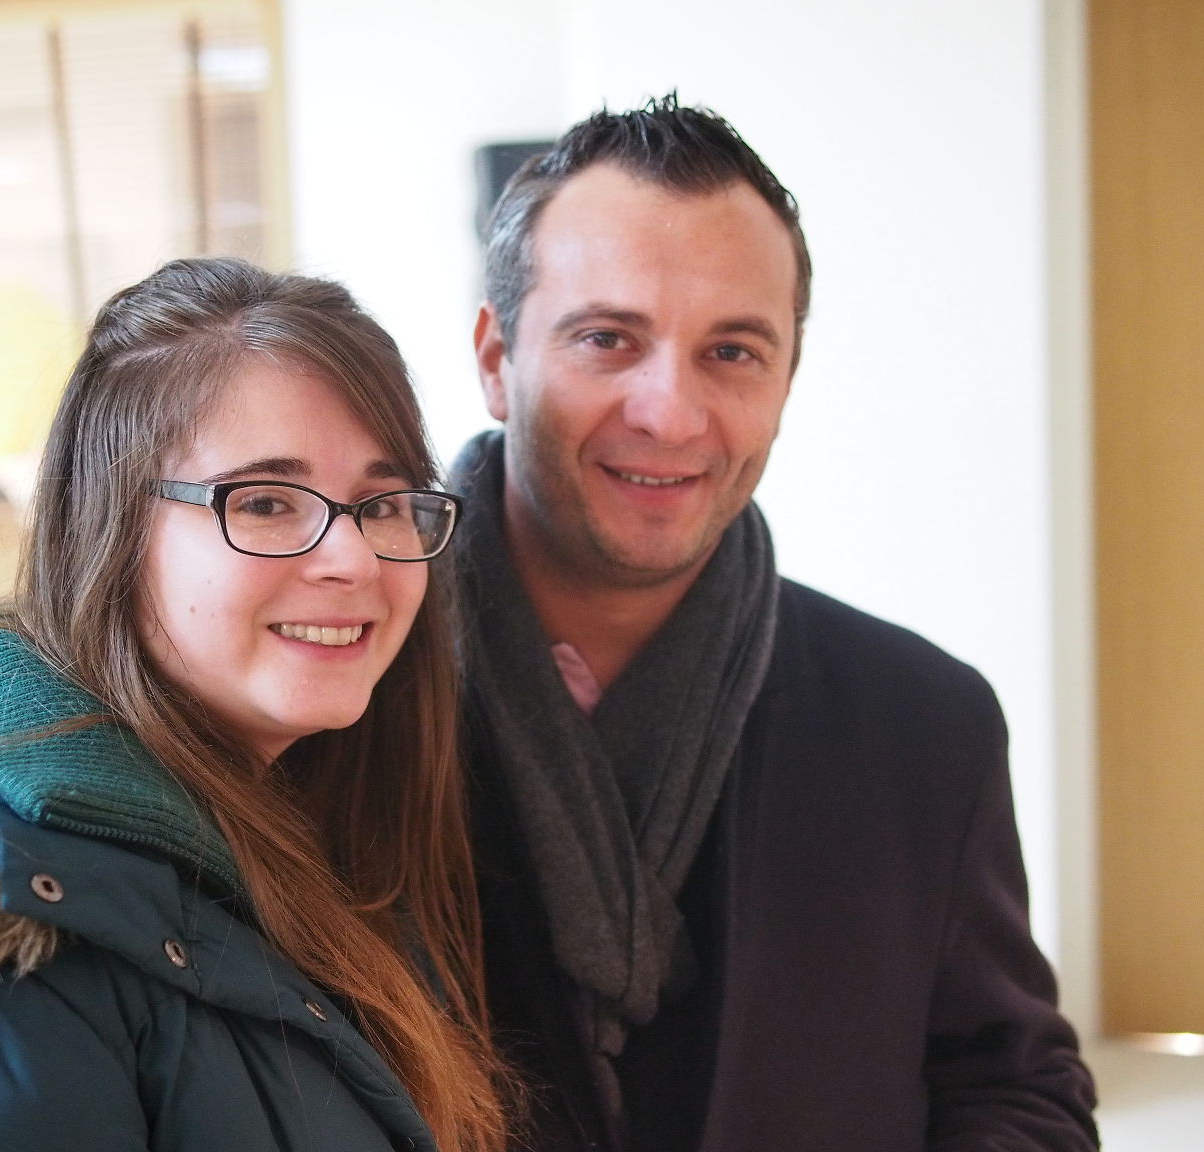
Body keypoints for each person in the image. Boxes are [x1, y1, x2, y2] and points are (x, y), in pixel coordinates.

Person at [0, 258, 510, 1152]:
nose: (352, 560)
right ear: (110, 526)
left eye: (382, 504)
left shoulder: (315, 815)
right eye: (266, 502)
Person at [451, 96, 1098, 1151]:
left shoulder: (925, 725)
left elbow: (1014, 1086)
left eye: (733, 351)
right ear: (495, 358)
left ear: (788, 377)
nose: (669, 412)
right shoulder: (341, 699)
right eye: (607, 339)